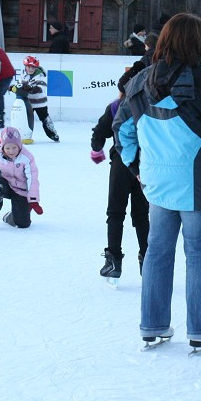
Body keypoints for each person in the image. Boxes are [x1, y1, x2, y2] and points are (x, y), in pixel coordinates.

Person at [114, 13, 201, 352]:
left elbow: (122, 131)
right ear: (197, 42)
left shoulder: (140, 81)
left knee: (157, 253)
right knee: (197, 254)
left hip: (157, 181)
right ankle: (200, 330)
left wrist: (137, 167)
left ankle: (152, 325)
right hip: (196, 182)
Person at [90, 62, 149, 282]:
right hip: (144, 165)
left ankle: (113, 260)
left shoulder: (116, 107)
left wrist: (96, 150)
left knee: (115, 212)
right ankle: (147, 258)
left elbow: (100, 132)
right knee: (142, 214)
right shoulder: (149, 105)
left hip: (120, 164)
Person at [10, 55, 58, 144]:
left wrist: (32, 88)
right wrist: (14, 87)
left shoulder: (40, 76)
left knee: (45, 119)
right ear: (25, 66)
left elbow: (41, 87)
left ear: (36, 67)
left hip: (40, 103)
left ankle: (52, 134)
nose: (30, 69)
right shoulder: (24, 75)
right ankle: (25, 135)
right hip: (28, 102)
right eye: (28, 67)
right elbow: (20, 85)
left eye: (33, 67)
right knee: (25, 119)